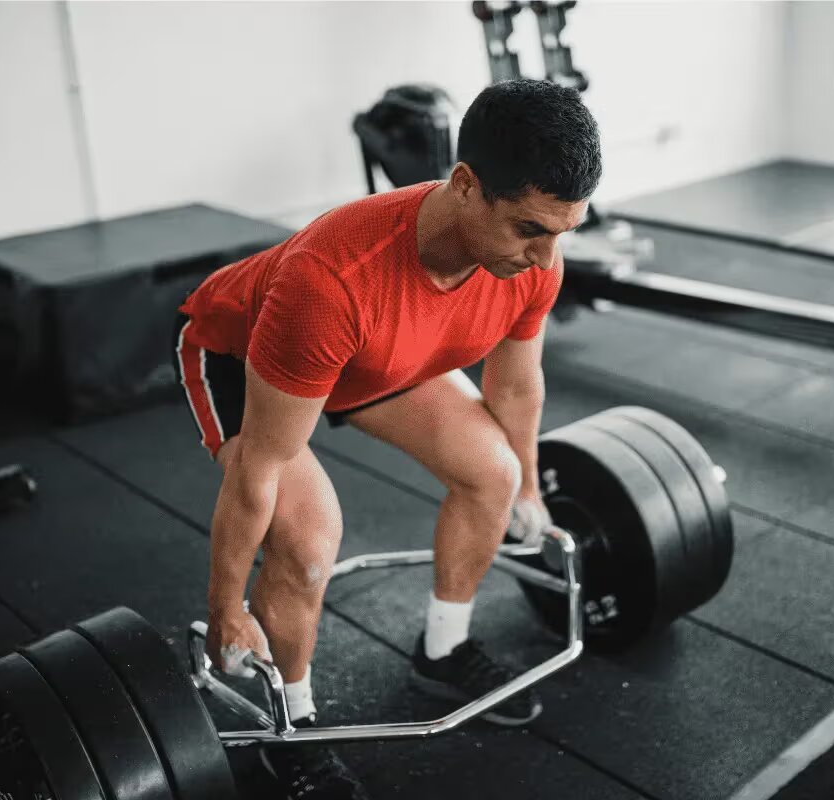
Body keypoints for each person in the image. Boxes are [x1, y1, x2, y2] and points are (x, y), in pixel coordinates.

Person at [171, 78, 601, 799]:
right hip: (243, 356)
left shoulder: (535, 261)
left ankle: (443, 647)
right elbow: (262, 468)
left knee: (490, 471)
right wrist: (225, 607)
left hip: (374, 356)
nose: (547, 257)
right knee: (307, 541)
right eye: (531, 229)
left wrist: (528, 481)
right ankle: (295, 726)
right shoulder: (330, 281)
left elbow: (517, 387)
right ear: (465, 186)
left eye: (564, 232)